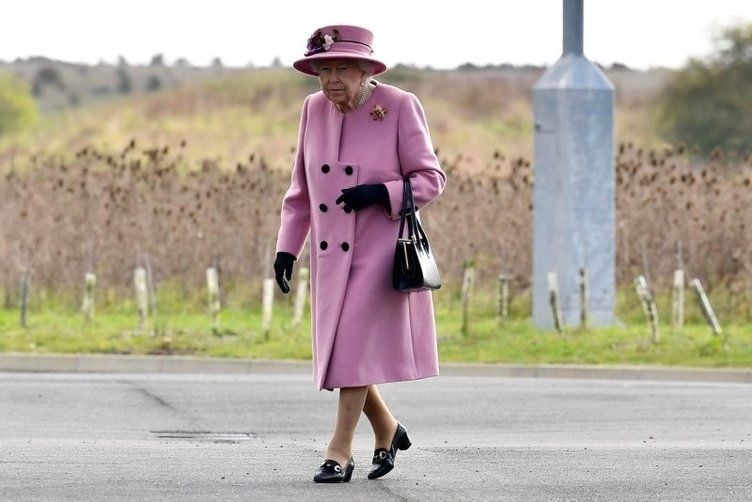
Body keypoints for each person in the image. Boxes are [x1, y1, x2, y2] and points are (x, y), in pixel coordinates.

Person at [273, 24, 447, 483]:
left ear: (367, 69)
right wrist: (287, 249)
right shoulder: (313, 109)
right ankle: (387, 429)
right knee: (344, 352)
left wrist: (380, 193)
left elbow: (431, 179)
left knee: (347, 348)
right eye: (323, 69)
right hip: (332, 257)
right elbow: (301, 191)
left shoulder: (399, 106)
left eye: (342, 69)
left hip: (378, 253)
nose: (331, 79)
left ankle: (339, 451)